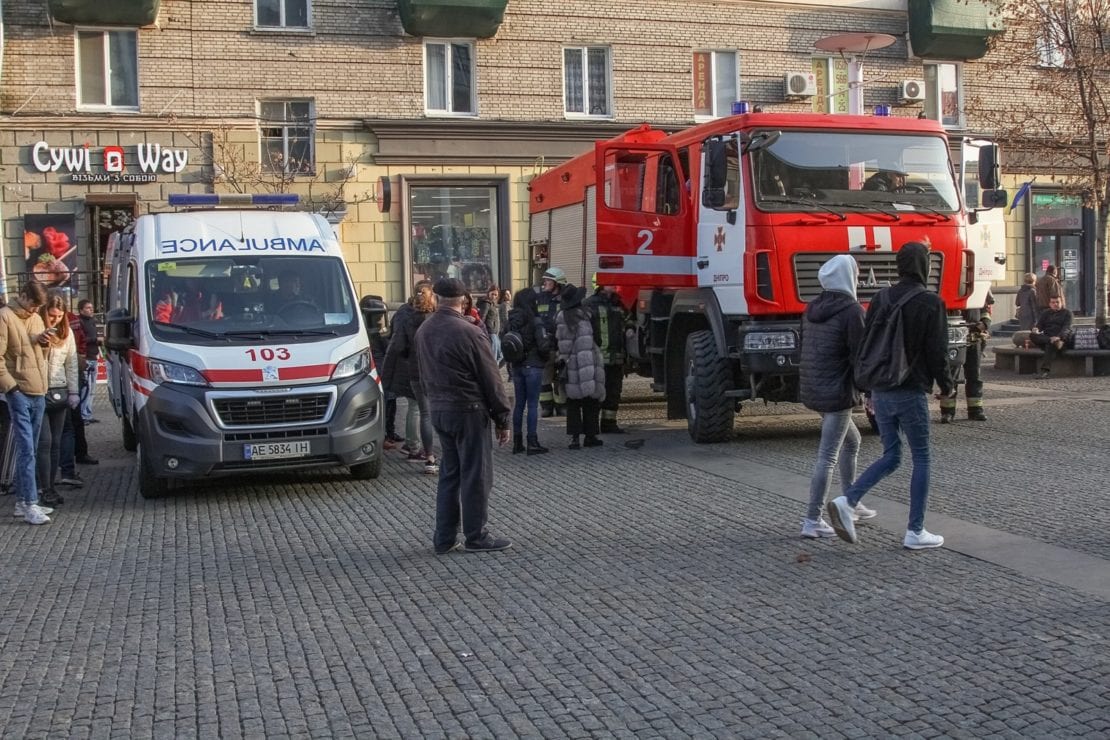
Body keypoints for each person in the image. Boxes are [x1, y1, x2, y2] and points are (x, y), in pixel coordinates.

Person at [826, 241, 954, 550]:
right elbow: (937, 353)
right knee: (921, 456)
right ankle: (915, 530)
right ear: (925, 265)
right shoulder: (930, 302)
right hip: (910, 390)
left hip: (880, 390)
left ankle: (849, 499)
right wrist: (947, 386)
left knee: (892, 454)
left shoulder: (881, 298)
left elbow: (866, 344)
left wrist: (868, 388)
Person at [414, 277, 512, 554]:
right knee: (476, 475)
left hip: (439, 408)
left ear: (437, 298)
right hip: (468, 409)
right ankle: (476, 535)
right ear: (463, 299)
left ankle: (444, 537)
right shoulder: (469, 332)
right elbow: (491, 378)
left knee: (450, 474)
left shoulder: (424, 329)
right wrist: (503, 418)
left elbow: (421, 373)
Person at [798, 255, 872, 539]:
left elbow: (803, 348)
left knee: (853, 441)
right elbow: (860, 356)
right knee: (827, 457)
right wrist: (867, 391)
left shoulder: (812, 308)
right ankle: (813, 518)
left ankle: (851, 500)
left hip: (815, 388)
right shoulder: (852, 311)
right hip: (837, 391)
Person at [0, 281, 52, 525]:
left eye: (37, 307)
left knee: (31, 448)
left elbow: (41, 353)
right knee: (26, 449)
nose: (33, 311)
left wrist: (43, 342)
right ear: (21, 296)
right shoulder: (5, 317)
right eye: (32, 305)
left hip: (39, 389)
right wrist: (12, 387)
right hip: (20, 391)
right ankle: (29, 502)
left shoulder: (37, 319)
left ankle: (24, 501)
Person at [381, 282, 438, 474]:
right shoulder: (435, 319)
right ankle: (421, 450)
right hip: (433, 371)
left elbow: (398, 346)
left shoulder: (406, 317)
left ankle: (427, 454)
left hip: (413, 370)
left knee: (422, 411)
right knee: (429, 413)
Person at [35, 294, 80, 508]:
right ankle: (43, 487)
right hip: (37, 390)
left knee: (55, 442)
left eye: (59, 316)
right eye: (52, 316)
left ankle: (50, 485)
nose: (55, 320)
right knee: (43, 442)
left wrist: (74, 392)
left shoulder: (67, 332)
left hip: (58, 389)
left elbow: (71, 363)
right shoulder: (35, 329)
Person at [555, 284, 605, 449]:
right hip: (587, 364)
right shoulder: (585, 316)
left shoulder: (562, 317)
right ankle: (591, 436)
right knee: (591, 400)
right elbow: (595, 341)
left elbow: (562, 345)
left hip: (570, 365)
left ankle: (575, 438)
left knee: (573, 403)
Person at [503, 289, 551, 455]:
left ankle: (517, 442)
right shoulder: (534, 320)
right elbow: (543, 345)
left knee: (518, 405)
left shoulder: (510, 320)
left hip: (516, 366)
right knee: (532, 404)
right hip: (533, 365)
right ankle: (532, 441)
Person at [940, 289, 994, 423]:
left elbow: (986, 308)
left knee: (974, 375)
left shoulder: (978, 285)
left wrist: (985, 323)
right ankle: (947, 412)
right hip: (953, 338)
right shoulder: (948, 285)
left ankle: (976, 410)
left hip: (974, 338)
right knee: (950, 376)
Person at [584, 278, 629, 434]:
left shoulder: (618, 303)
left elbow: (628, 322)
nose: (615, 285)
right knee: (596, 393)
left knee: (614, 392)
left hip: (616, 357)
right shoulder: (589, 304)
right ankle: (592, 426)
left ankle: (609, 423)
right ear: (601, 285)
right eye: (611, 282)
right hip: (598, 358)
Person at [536, 267, 569, 417]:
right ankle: (546, 407)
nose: (545, 283)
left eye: (548, 280)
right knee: (545, 377)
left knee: (562, 378)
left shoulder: (567, 300)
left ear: (557, 283)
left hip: (562, 345)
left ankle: (562, 406)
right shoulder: (541, 298)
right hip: (546, 345)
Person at [1030, 295, 1073, 378]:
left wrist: (1059, 337)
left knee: (1051, 345)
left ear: (1061, 302)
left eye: (1057, 302)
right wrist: (1035, 329)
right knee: (1032, 335)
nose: (1055, 304)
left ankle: (1044, 371)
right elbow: (1039, 325)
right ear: (1050, 304)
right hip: (1048, 337)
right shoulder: (1046, 313)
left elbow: (1067, 328)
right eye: (1053, 302)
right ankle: (1050, 340)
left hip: (1061, 340)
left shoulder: (1067, 313)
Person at [76, 299, 99, 424]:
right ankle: (82, 415)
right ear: (81, 310)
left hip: (93, 357)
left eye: (91, 307)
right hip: (86, 359)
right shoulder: (79, 322)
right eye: (88, 308)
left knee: (92, 389)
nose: (91, 310)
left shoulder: (93, 321)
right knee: (86, 389)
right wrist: (96, 339)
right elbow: (82, 339)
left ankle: (87, 413)